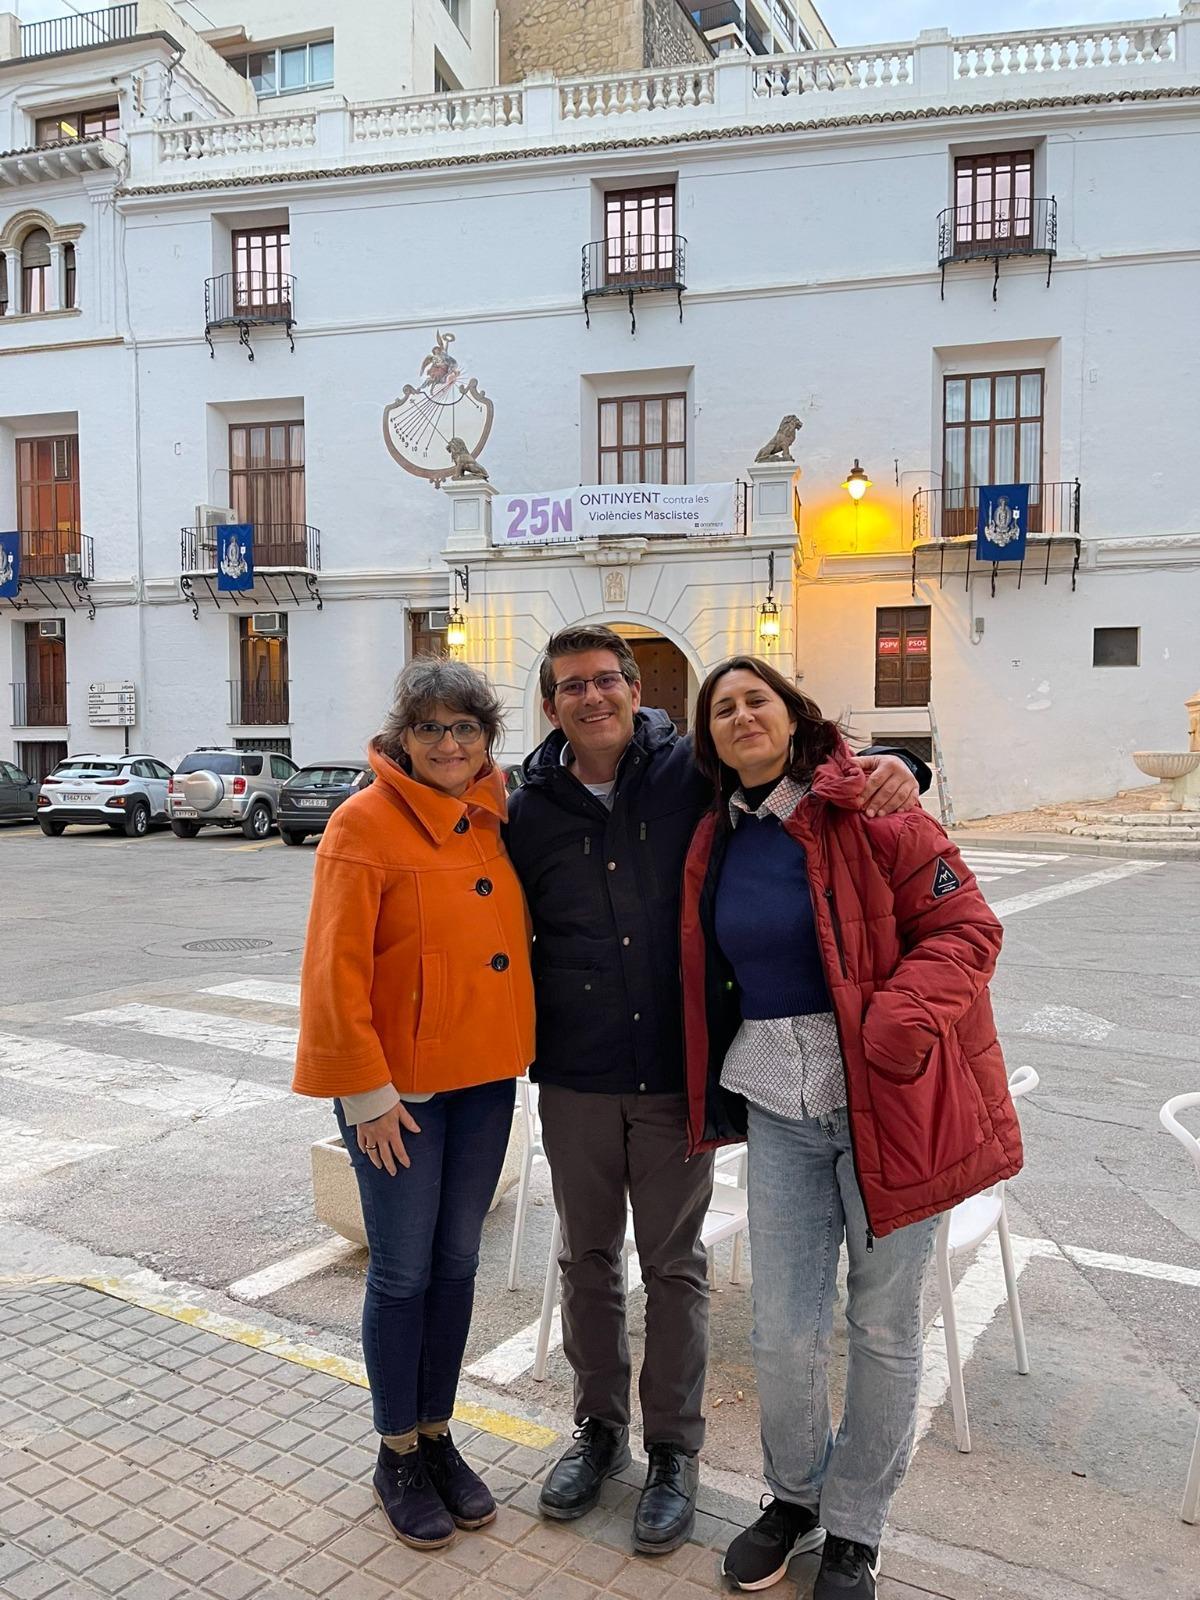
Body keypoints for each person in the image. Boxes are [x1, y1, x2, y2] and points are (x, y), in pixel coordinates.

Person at [504, 625, 928, 1556]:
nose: (593, 697)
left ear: (635, 688)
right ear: (550, 706)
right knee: (584, 1263)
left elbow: (796, 761)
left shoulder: (687, 771)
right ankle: (599, 1430)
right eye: (572, 686)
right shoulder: (524, 803)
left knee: (675, 1268)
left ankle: (673, 1453)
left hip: (674, 1074)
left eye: (608, 679)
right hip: (575, 1071)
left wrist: (895, 764)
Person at [680, 656, 1023, 1598]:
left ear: (793, 717)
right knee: (785, 1332)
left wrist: (898, 1020)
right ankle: (794, 1498)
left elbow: (969, 928)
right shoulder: (716, 835)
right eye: (722, 709)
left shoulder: (874, 807)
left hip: (890, 1108)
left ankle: (856, 1528)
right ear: (708, 738)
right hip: (781, 1111)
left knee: (880, 1329)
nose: (742, 716)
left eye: (758, 700)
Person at [293, 658, 534, 1552]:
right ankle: (396, 1451)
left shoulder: (491, 814)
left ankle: (438, 1433)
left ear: (485, 741)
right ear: (402, 734)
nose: (448, 743)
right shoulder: (363, 823)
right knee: (402, 1271)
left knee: (459, 1262)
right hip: (397, 1096)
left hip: (483, 1084)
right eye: (430, 727)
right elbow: (333, 973)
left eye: (466, 728)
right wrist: (365, 1094)